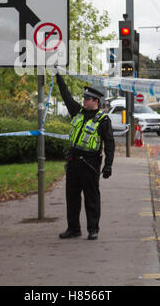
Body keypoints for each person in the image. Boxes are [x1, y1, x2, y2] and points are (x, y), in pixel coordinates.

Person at [55, 72, 115, 240]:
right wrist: (59, 79)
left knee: (91, 198)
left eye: (87, 99)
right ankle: (73, 228)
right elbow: (66, 97)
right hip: (74, 161)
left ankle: (93, 229)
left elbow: (109, 144)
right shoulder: (78, 112)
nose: (84, 101)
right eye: (84, 98)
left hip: (90, 163)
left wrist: (108, 165)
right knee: (72, 197)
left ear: (95, 101)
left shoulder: (103, 120)